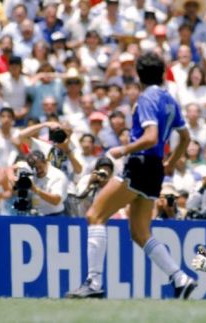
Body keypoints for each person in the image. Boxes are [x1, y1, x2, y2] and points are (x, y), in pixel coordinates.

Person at [65, 52, 194, 299]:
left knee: (95, 215)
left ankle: (93, 283)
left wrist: (122, 149)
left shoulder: (147, 98)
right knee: (140, 232)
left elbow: (151, 137)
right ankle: (181, 277)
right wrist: (170, 162)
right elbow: (185, 137)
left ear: (138, 74)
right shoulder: (169, 99)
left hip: (140, 163)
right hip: (155, 168)